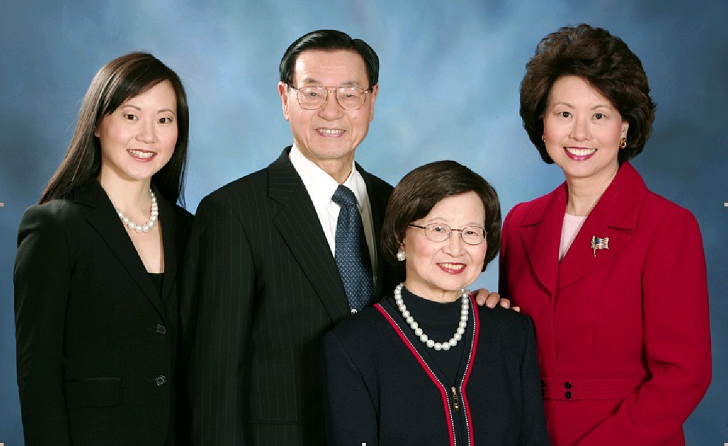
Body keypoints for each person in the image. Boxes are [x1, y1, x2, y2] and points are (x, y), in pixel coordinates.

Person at [179, 29, 504, 445]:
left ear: (371, 101)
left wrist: (474, 302)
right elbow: (214, 380)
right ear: (284, 98)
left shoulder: (398, 206)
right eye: (312, 93)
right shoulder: (232, 213)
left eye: (349, 93)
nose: (331, 112)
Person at [498, 24, 711, 444]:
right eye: (564, 114)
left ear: (625, 127)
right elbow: (515, 349)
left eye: (599, 115)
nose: (580, 133)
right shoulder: (520, 223)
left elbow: (684, 375)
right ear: (543, 125)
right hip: (531, 433)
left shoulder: (667, 226)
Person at [13, 52, 193, 446]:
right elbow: (38, 374)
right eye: (131, 116)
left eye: (164, 119)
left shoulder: (192, 230)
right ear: (98, 122)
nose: (148, 136)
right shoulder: (55, 227)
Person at [323, 160, 549, 445]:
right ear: (400, 238)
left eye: (470, 232)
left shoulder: (513, 334)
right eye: (438, 229)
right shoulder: (352, 345)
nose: (455, 249)